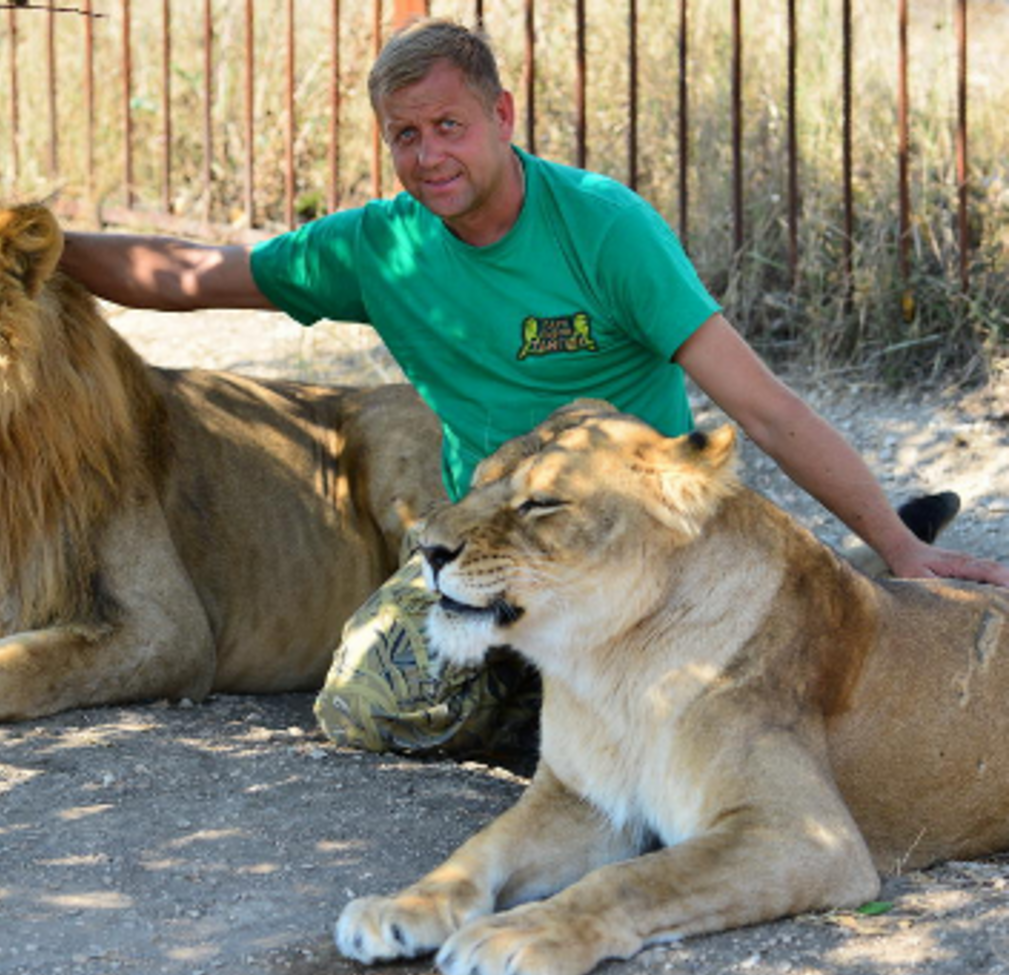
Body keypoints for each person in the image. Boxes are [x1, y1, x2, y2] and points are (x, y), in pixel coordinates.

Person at [59, 18, 1009, 758]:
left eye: (448, 127)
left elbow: (762, 404)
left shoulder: (605, 229)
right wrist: (32, 245)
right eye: (404, 136)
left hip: (633, 541)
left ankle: (852, 571)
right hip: (496, 548)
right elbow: (192, 276)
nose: (429, 156)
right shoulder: (377, 249)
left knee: (745, 719)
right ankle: (559, 704)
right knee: (365, 705)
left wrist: (897, 539)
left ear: (503, 116)